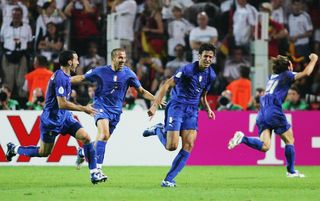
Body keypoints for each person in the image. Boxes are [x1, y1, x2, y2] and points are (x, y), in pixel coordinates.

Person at [5, 50, 106, 184]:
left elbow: (73, 84)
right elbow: (62, 103)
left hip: (65, 118)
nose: (77, 62)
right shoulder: (60, 78)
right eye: (76, 60)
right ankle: (14, 149)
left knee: (86, 138)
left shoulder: (64, 76)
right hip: (51, 121)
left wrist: (93, 74)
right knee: (43, 152)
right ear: (70, 62)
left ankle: (94, 173)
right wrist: (84, 109)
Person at [228, 53, 318, 177]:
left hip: (262, 111)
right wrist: (314, 60)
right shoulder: (286, 75)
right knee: (290, 140)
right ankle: (291, 171)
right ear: (288, 66)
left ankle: (243, 138)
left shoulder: (273, 77)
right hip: (273, 110)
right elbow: (306, 73)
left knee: (265, 146)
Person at [72, 48, 158, 175]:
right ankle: (98, 170)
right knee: (104, 134)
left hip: (116, 111)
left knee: (102, 139)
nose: (123, 60)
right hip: (100, 107)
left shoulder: (129, 74)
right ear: (113, 58)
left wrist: (156, 99)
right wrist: (62, 81)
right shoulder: (101, 71)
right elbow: (82, 77)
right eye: (120, 57)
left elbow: (141, 91)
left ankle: (83, 152)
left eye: (124, 57)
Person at [142, 43, 216, 187]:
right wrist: (155, 105)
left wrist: (208, 109)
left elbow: (203, 95)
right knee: (171, 146)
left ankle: (168, 179)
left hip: (192, 109)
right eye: (205, 56)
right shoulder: (188, 70)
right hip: (177, 106)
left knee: (189, 145)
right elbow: (166, 84)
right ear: (199, 56)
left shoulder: (211, 75)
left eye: (210, 57)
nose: (208, 59)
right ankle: (158, 129)